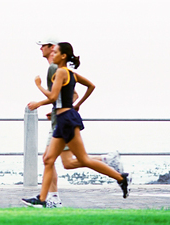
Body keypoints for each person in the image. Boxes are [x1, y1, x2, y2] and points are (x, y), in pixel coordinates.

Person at [22, 42, 132, 208]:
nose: (54, 54)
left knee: (82, 159)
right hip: (65, 118)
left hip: (66, 119)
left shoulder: (60, 72)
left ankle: (121, 178)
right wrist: (77, 104)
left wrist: (38, 88)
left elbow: (52, 97)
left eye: (57, 52)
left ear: (63, 56)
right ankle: (42, 199)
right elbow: (91, 86)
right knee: (49, 159)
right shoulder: (70, 73)